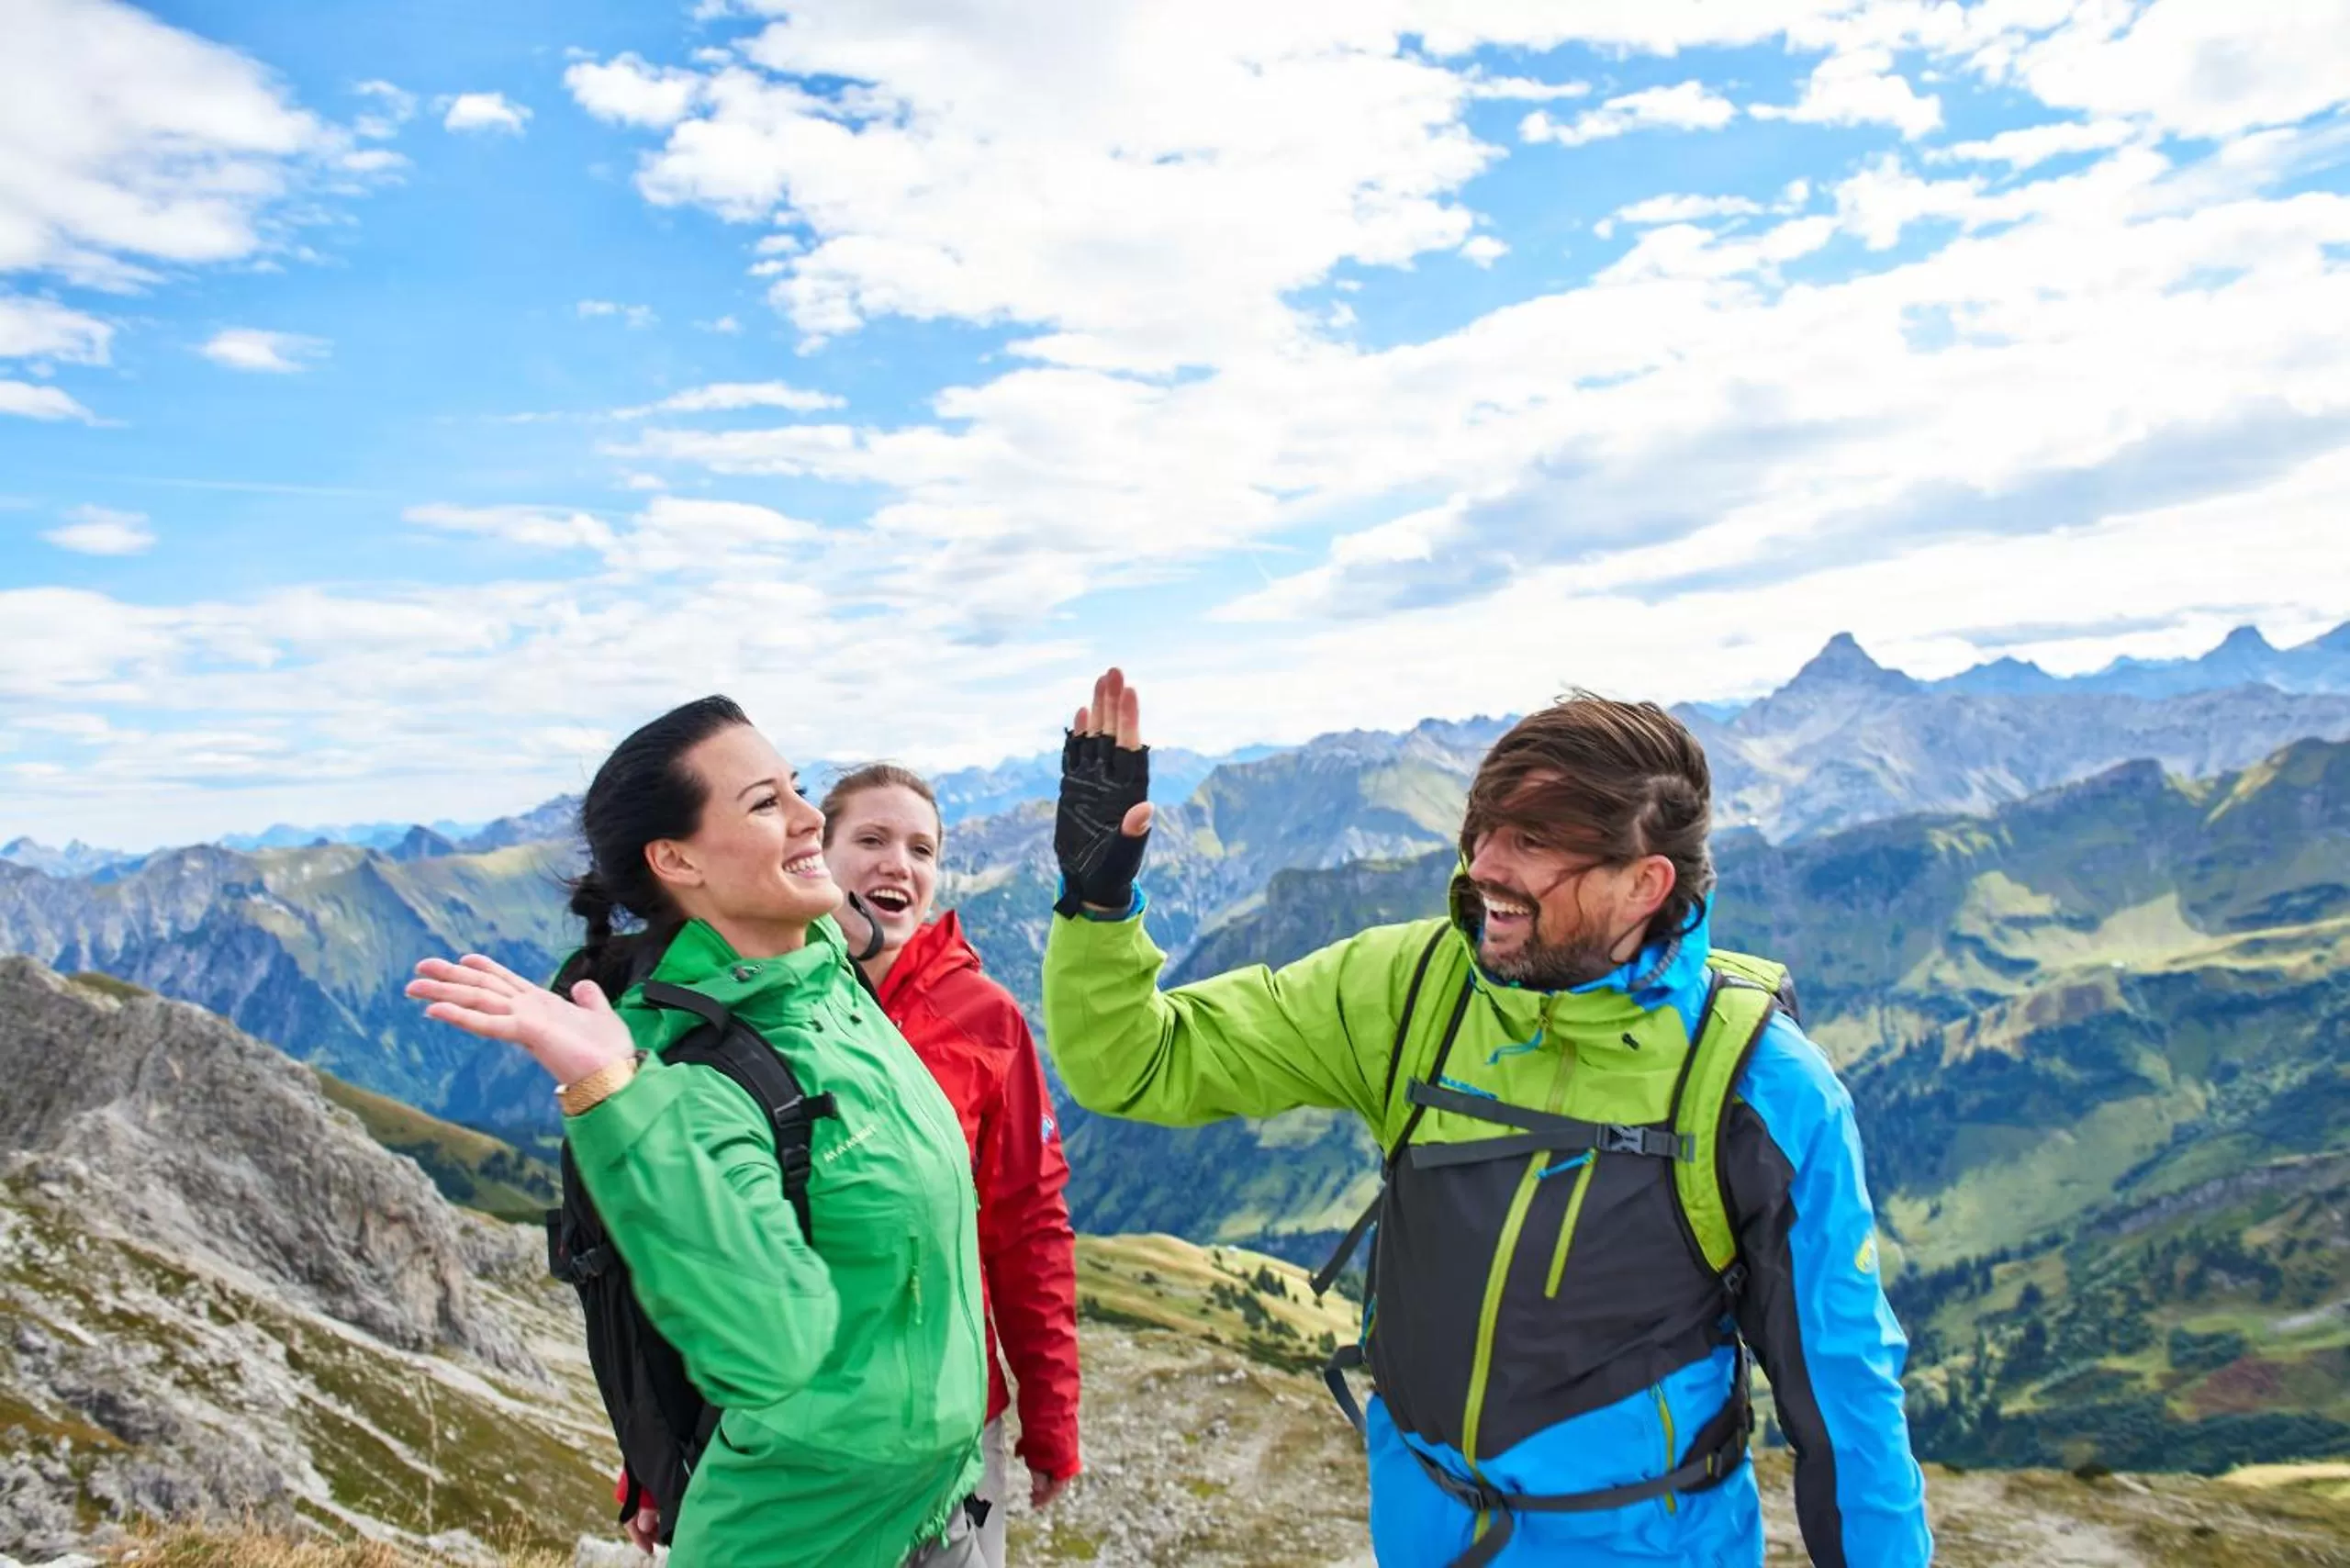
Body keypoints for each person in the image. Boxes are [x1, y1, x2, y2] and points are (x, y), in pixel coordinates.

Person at [1038, 669, 1932, 1568]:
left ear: (1643, 883)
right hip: (1423, 1536)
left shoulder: (1760, 1086)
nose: (1483, 867)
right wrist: (1098, 900)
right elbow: (1133, 1065)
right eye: (1482, 831)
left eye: (1533, 842)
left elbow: (1845, 1397)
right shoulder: (1414, 988)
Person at [405, 696, 989, 1568]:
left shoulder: (819, 971)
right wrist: (617, 1098)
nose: (807, 819)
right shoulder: (695, 1073)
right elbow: (768, 1338)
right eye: (766, 804)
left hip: (933, 1509)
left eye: (797, 790)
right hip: (803, 1539)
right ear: (676, 858)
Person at [820, 764, 1084, 1566]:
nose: (897, 863)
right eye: (870, 839)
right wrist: (651, 1461)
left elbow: (1029, 1229)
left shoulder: (987, 1019)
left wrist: (1051, 1420)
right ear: (817, 856)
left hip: (955, 1421)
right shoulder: (763, 1003)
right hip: (791, 1420)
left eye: (920, 849)